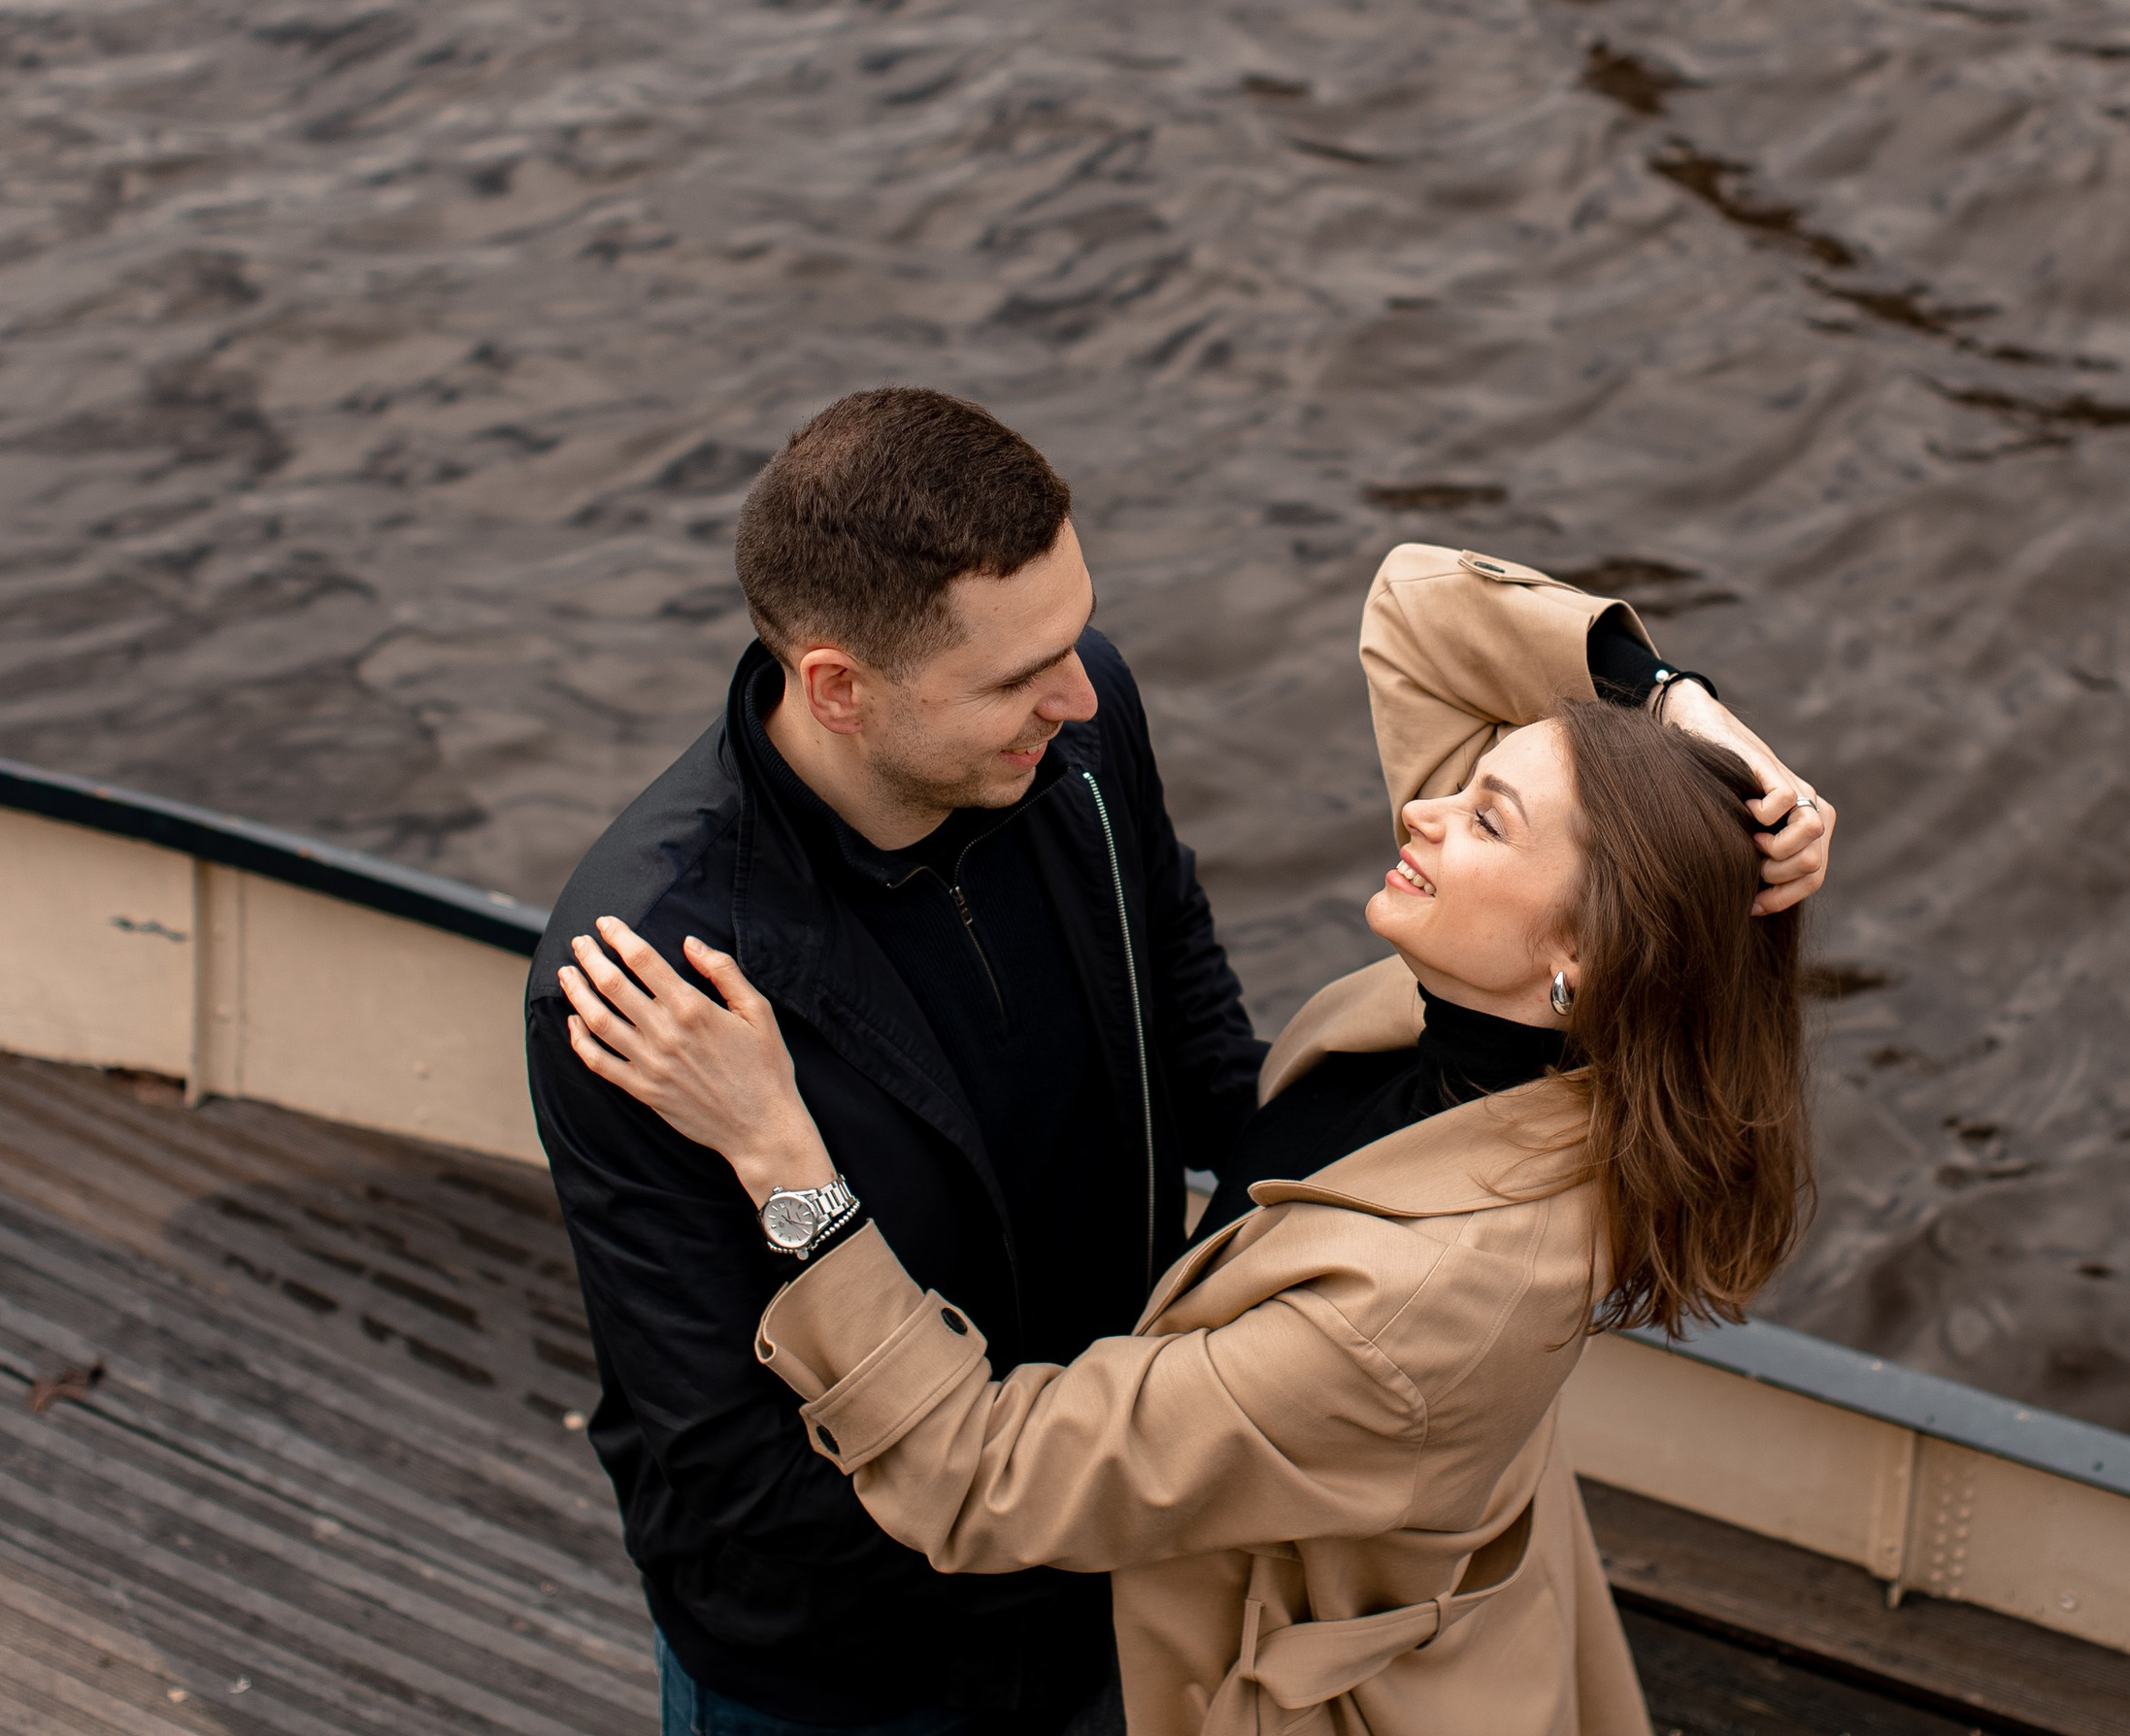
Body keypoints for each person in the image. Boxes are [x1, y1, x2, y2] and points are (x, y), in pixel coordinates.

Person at [557, 539, 1830, 1736]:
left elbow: (980, 1473)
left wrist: (787, 1157)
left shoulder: (1414, 1303)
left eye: (1487, 816)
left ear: (1583, 953)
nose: (1429, 811)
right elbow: (1419, 609)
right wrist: (1671, 704)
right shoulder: (1548, 1028)